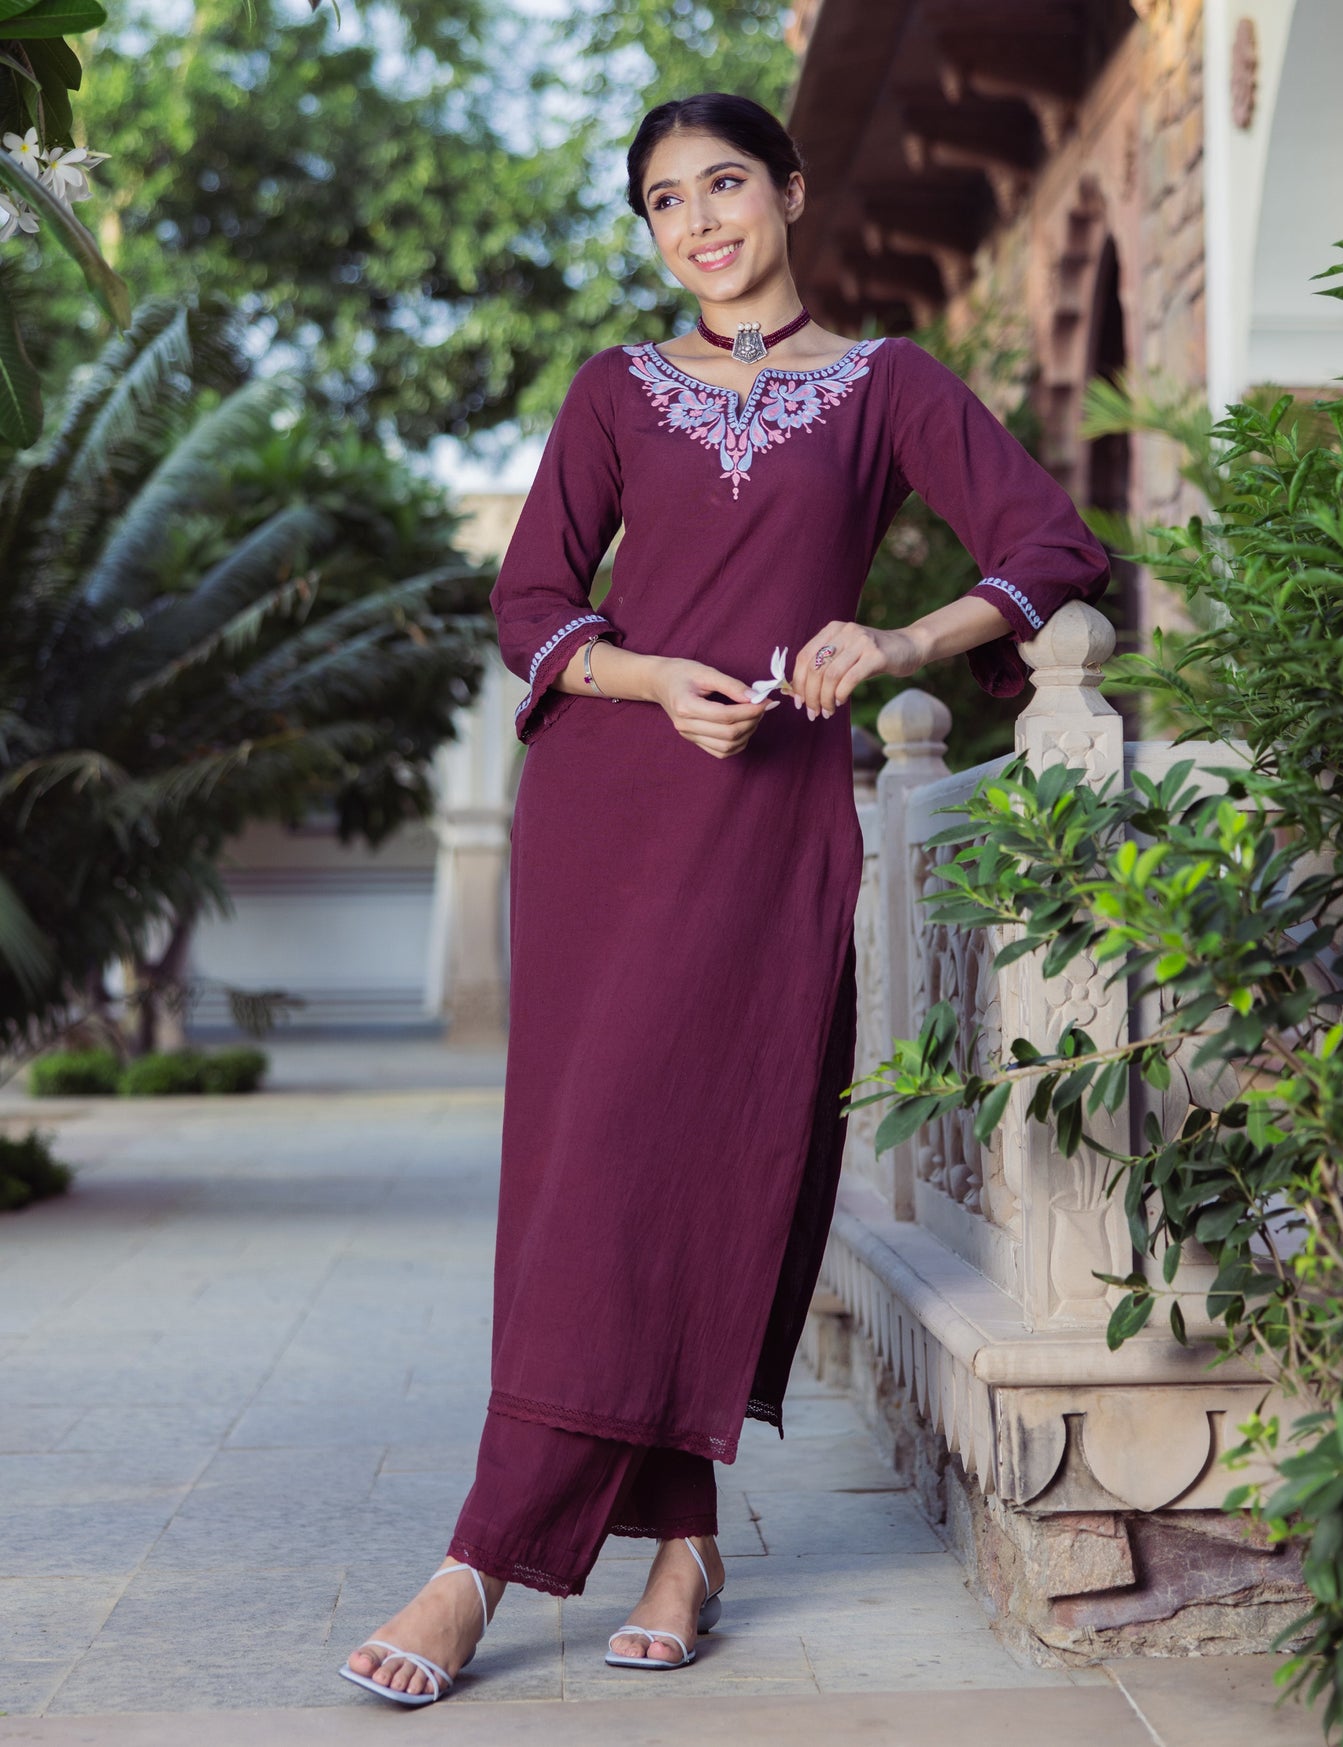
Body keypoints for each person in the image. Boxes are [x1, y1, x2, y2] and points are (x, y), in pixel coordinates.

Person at [339, 90, 1110, 1706]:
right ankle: (542, 1553)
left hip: (770, 830)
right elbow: (530, 601)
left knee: (704, 1161)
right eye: (665, 200)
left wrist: (897, 642)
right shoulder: (613, 391)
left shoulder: (886, 386)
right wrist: (648, 678)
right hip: (609, 816)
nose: (698, 221)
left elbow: (1049, 545)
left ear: (792, 192)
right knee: (587, 1177)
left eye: (725, 184)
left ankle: (587, 1552)